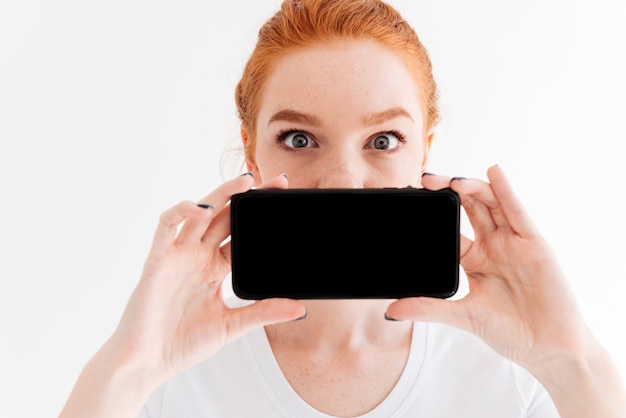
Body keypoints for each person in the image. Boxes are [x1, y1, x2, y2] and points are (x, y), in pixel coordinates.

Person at [59, 0, 626, 417]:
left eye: (382, 140)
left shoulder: (517, 381)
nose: (344, 180)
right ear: (250, 153)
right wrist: (129, 369)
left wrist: (570, 362)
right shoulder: (167, 378)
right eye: (299, 139)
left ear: (425, 150)